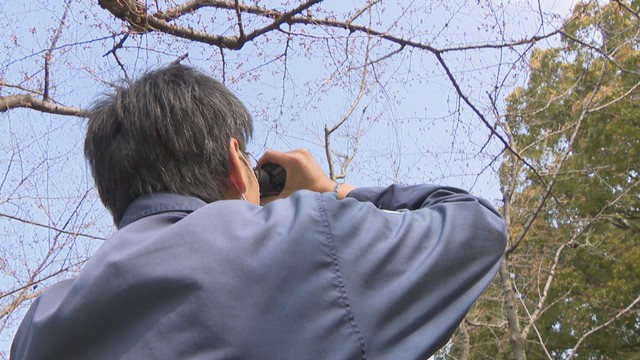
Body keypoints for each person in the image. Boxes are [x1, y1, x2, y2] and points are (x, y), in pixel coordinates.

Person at [11, 64, 507, 359]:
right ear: (235, 164)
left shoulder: (38, 324)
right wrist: (332, 192)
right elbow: (475, 225)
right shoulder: (295, 241)